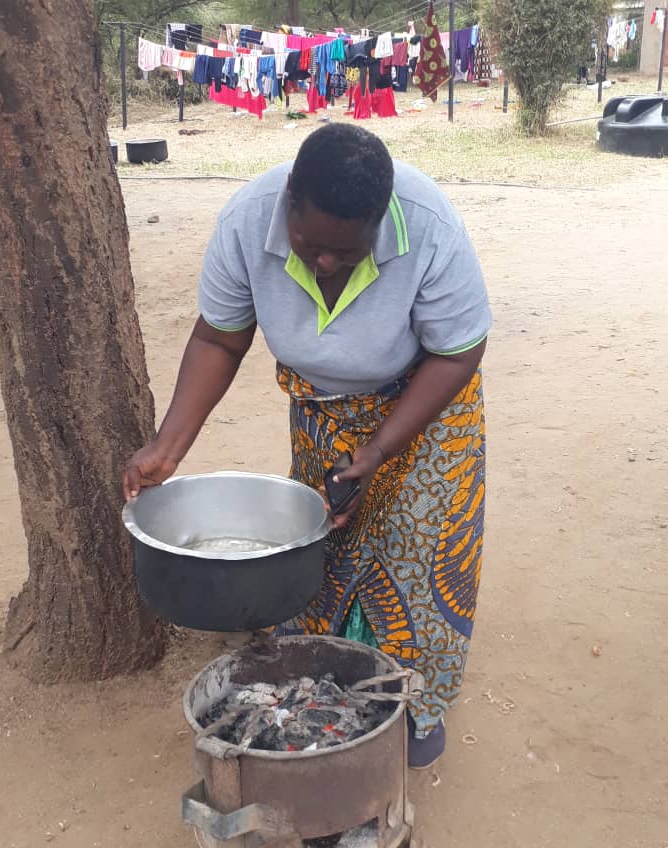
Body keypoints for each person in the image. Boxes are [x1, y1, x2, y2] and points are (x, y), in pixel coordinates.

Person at [123, 123, 491, 769]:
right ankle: (321, 700)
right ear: (290, 198)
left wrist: (379, 450)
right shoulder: (245, 222)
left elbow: (458, 349)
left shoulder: (428, 223)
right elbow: (219, 338)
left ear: (379, 221)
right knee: (326, 550)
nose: (325, 262)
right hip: (325, 409)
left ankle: (413, 706)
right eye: (311, 244)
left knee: (415, 555)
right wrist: (168, 447)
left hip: (426, 404)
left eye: (347, 253)